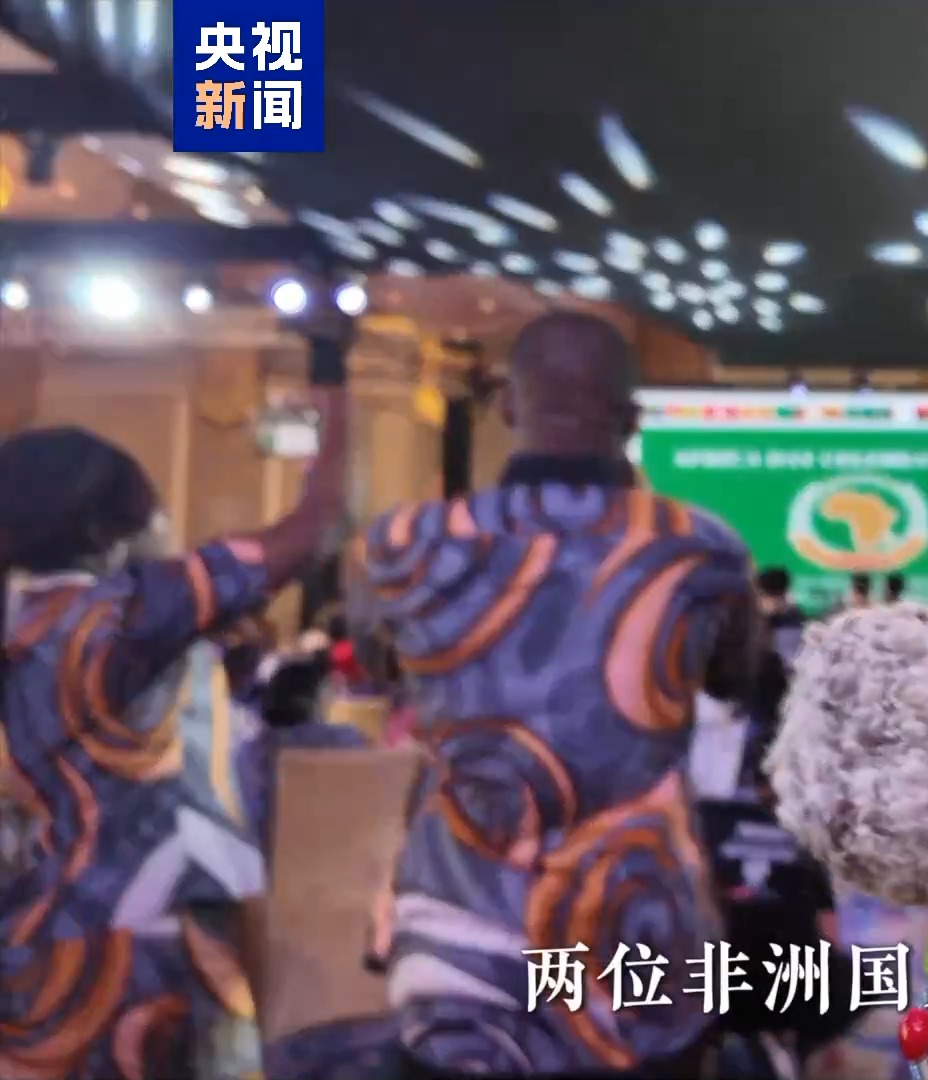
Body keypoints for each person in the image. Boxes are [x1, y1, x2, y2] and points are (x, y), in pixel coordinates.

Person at [347, 311, 762, 1080]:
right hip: (639, 947)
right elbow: (735, 679)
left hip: (457, 943)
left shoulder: (398, 547)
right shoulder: (702, 549)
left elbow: (377, 670)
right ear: (631, 421)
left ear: (507, 405)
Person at [0, 318, 351, 1080]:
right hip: (146, 947)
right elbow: (316, 526)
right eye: (154, 512)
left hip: (40, 938)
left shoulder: (27, 621)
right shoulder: (130, 612)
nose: (166, 530)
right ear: (108, 528)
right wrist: (333, 371)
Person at [233, 654, 369, 853]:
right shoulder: (347, 740)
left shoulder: (249, 752)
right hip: (342, 853)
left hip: (274, 859)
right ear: (317, 699)